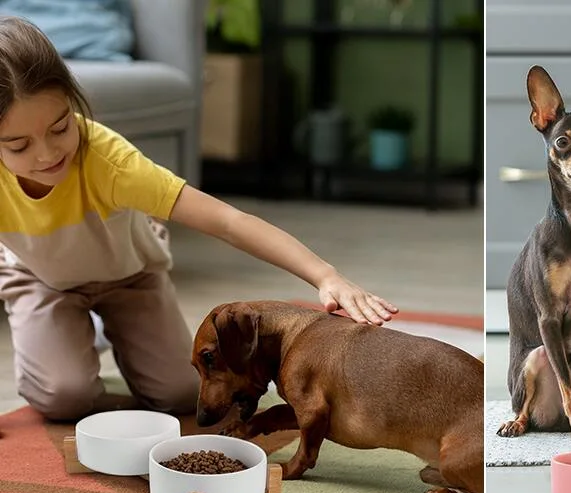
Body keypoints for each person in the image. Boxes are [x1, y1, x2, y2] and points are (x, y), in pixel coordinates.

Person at [0, 16, 397, 422]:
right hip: (41, 279)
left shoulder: (110, 163)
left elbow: (228, 221)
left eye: (60, 127)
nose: (47, 154)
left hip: (129, 275)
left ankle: (97, 331)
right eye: (18, 146)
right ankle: (71, 334)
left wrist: (325, 275)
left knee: (178, 394)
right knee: (64, 398)